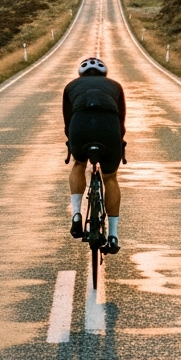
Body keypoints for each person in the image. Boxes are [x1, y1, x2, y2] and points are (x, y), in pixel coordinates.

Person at [63, 56, 125, 253]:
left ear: (81, 74)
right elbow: (121, 120)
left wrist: (72, 143)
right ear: (104, 74)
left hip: (80, 127)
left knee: (79, 164)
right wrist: (118, 142)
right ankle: (113, 236)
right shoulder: (115, 86)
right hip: (109, 128)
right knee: (110, 177)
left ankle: (76, 216)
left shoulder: (71, 86)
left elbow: (68, 119)